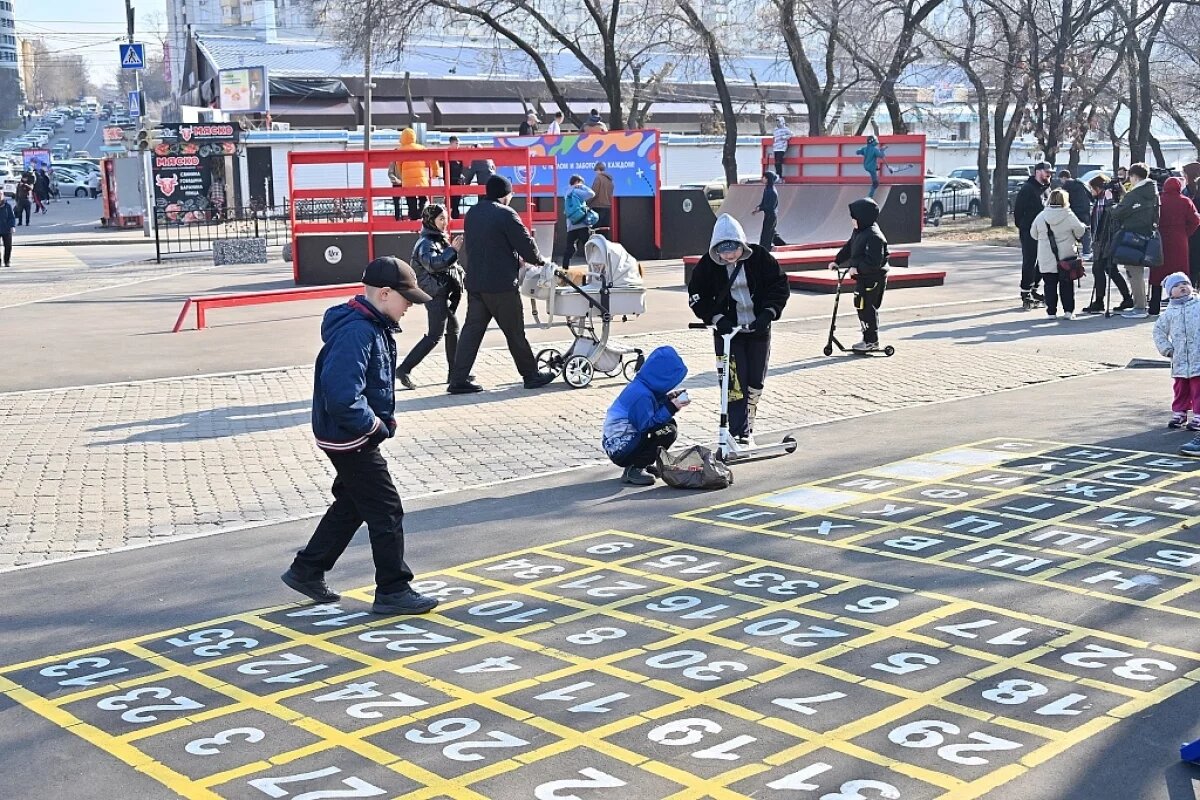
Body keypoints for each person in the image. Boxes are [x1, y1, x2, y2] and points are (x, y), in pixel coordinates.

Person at [281, 256, 439, 616]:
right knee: (386, 509)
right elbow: (341, 394)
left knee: (353, 504)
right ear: (384, 294)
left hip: (347, 432)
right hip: (350, 437)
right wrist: (374, 425)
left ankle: (307, 569)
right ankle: (393, 589)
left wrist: (383, 418)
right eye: (407, 300)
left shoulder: (372, 324)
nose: (410, 308)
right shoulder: (359, 331)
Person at [447, 174, 557, 394]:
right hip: (501, 285)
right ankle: (531, 375)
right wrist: (540, 261)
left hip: (476, 283)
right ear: (505, 194)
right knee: (515, 332)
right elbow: (526, 245)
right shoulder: (507, 214)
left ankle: (458, 379)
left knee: (471, 331)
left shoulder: (473, 213)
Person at [687, 213, 789, 444]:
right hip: (728, 335)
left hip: (758, 330)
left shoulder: (760, 258)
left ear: (742, 244)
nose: (729, 255)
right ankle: (737, 432)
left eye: (733, 249)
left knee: (755, 381)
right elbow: (696, 297)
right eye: (723, 251)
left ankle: (747, 425)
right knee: (733, 384)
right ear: (716, 250)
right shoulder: (707, 266)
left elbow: (780, 285)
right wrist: (716, 317)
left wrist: (768, 313)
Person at [397, 204, 465, 389]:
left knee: (452, 329)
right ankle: (404, 369)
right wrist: (454, 250)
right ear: (430, 221)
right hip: (434, 293)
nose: (445, 222)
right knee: (435, 335)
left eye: (446, 218)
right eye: (441, 219)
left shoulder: (436, 239)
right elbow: (435, 264)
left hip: (440, 291)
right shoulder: (426, 242)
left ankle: (455, 373)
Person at [602, 346, 688, 486]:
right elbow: (647, 425)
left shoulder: (644, 385)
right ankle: (635, 469)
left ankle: (642, 463)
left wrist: (668, 400)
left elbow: (650, 413)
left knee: (669, 424)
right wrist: (672, 407)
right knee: (668, 431)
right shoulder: (642, 395)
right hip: (621, 448)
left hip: (623, 442)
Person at [829, 197, 890, 350]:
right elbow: (849, 248)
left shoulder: (874, 236)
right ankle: (867, 338)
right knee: (861, 307)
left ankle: (871, 341)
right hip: (862, 278)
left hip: (873, 278)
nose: (852, 221)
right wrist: (837, 261)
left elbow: (874, 261)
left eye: (854, 218)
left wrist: (858, 269)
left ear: (863, 218)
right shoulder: (859, 231)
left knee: (867, 308)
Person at [1109, 162, 1160, 319]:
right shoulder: (1153, 192)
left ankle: (1139, 307)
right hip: (1148, 235)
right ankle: (1141, 305)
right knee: (1138, 272)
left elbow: (1118, 213)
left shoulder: (1135, 194)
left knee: (1134, 272)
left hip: (1132, 236)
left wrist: (1112, 206)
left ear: (1134, 176)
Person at [1153, 273, 1200, 437]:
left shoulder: (1198, 305)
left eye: (1185, 284)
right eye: (1177, 286)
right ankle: (1179, 412)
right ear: (1170, 292)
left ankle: (1198, 415)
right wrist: (1166, 348)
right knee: (1180, 388)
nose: (1182, 288)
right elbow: (1158, 331)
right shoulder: (1169, 313)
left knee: (1198, 388)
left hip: (1197, 357)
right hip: (1179, 359)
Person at [1032, 188, 1087, 320]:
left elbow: (1033, 234)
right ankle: (1068, 311)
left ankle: (1051, 312)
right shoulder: (1068, 215)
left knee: (1049, 285)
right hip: (1066, 258)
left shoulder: (1041, 216)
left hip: (1046, 257)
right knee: (1067, 285)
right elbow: (1080, 231)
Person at [1083, 174, 1132, 314]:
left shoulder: (1107, 199)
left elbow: (1113, 216)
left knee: (1104, 269)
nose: (1091, 191)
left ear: (1098, 188)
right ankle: (1124, 298)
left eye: (1092, 188)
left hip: (1107, 240)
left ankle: (1101, 301)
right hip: (1100, 239)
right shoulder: (1099, 199)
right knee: (1107, 269)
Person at [1152, 177, 1200, 317]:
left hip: (1160, 240)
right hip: (1179, 240)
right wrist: (1186, 233)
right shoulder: (1185, 201)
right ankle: (1184, 305)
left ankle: (1154, 306)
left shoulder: (1159, 200)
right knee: (1180, 273)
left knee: (1157, 273)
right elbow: (1196, 220)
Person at [1014, 161, 1052, 310]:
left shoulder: (1047, 189)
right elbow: (1018, 212)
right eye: (1046, 172)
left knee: (1043, 261)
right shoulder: (1027, 189)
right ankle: (1025, 291)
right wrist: (1024, 227)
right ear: (1038, 172)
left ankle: (1035, 288)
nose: (1049, 174)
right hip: (1029, 231)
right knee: (1030, 260)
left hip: (1045, 232)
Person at [393, 128, 441, 222]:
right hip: (420, 179)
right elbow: (433, 158)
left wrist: (401, 175)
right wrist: (435, 172)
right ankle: (420, 214)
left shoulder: (400, 150)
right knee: (423, 198)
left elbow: (398, 165)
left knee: (411, 200)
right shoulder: (421, 148)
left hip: (407, 181)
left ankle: (414, 218)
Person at [561, 174, 596, 269]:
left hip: (571, 225)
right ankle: (593, 268)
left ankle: (565, 269)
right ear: (577, 182)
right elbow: (592, 194)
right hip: (581, 224)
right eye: (581, 183)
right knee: (589, 247)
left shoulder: (567, 192)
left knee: (569, 248)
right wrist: (582, 186)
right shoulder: (577, 191)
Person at [1058, 169, 1093, 257]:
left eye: (1061, 179)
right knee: (1086, 231)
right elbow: (1090, 194)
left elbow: (1064, 199)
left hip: (1074, 211)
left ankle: (1073, 251)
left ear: (1064, 178)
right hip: (1085, 210)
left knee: (1071, 232)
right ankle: (1086, 251)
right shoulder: (1080, 183)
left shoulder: (1066, 186)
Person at [1181, 162, 1200, 285]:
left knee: (1193, 265)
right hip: (1193, 235)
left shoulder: (1192, 196)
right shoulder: (1186, 191)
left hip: (1194, 235)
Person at [752, 171, 780, 252]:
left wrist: (761, 208)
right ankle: (782, 245)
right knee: (771, 232)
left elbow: (770, 206)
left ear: (768, 179)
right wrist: (759, 207)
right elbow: (764, 202)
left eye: (764, 177)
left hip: (771, 215)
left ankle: (765, 248)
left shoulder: (772, 191)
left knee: (767, 233)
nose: (762, 179)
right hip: (768, 215)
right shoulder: (767, 189)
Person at [447, 136, 466, 219]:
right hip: (449, 181)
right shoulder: (446, 153)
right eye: (456, 143)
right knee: (449, 203)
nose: (458, 145)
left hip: (458, 181)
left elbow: (463, 168)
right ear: (451, 143)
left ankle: (455, 218)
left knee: (456, 203)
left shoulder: (460, 155)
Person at [590, 162, 614, 230]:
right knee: (604, 229)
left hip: (598, 206)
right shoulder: (610, 180)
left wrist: (587, 203)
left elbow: (594, 193)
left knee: (596, 229)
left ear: (598, 169)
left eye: (596, 171)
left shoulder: (598, 178)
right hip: (607, 206)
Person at [0, 196, 14, 266]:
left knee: (8, 246)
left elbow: (11, 217)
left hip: (6, 229)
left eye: (0, 195)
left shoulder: (7, 206)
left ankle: (7, 261)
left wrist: (12, 226)